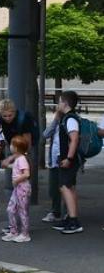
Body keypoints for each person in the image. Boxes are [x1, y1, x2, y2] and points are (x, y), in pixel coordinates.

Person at [50, 91, 83, 235]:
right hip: (69, 158)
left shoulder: (70, 119)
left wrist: (69, 158)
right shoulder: (68, 118)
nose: (58, 105)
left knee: (65, 187)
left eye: (59, 102)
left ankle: (74, 221)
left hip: (69, 159)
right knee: (70, 187)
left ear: (65, 103)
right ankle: (70, 218)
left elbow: (74, 139)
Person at [2, 135, 32, 243]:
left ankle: (25, 234)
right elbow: (16, 168)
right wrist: (8, 165)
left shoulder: (22, 159)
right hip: (17, 188)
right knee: (11, 209)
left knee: (22, 211)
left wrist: (17, 180)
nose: (10, 146)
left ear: (16, 148)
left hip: (22, 188)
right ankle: (13, 231)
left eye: (12, 144)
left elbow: (26, 174)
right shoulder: (18, 159)